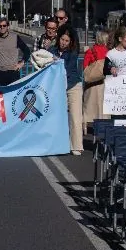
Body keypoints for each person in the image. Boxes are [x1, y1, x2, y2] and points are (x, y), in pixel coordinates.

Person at [51, 27, 84, 155]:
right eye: (62, 39)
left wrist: (56, 61)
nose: (64, 42)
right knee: (57, 117)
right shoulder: (52, 50)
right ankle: (57, 144)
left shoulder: (73, 52)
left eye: (67, 40)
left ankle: (76, 146)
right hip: (57, 87)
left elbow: (67, 68)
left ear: (71, 42)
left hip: (73, 85)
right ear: (58, 39)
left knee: (75, 117)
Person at [82, 30, 111, 127]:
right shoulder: (108, 52)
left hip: (91, 83)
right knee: (102, 108)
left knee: (89, 106)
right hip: (104, 82)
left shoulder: (91, 51)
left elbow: (85, 67)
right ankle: (103, 128)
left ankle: (85, 126)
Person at [0, 17, 29, 86]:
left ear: (7, 26)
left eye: (4, 25)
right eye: (0, 26)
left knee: (14, 95)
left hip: (13, 72)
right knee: (0, 96)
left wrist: (21, 63)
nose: (2, 27)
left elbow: (27, 50)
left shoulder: (15, 37)